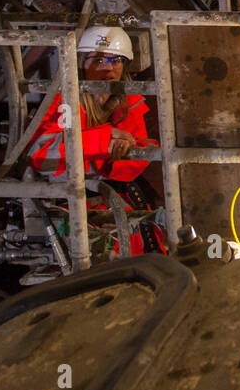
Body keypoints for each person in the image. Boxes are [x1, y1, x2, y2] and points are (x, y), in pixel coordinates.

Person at [26, 26, 163, 254]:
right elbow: (41, 155)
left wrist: (111, 153)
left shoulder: (129, 101)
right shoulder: (67, 101)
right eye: (99, 60)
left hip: (116, 196)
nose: (110, 67)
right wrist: (104, 140)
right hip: (72, 200)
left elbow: (135, 164)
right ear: (82, 63)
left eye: (117, 60)